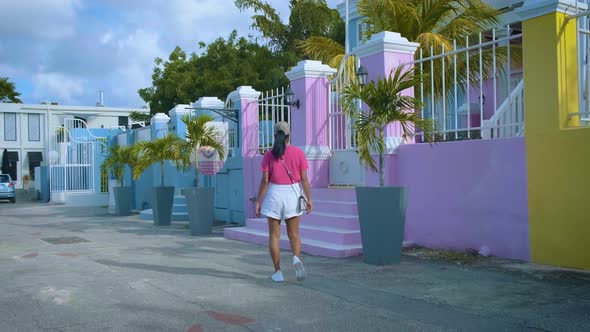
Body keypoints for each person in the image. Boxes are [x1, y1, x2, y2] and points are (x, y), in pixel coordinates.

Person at [255, 121, 313, 282]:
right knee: (294, 235)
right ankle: (296, 258)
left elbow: (265, 181)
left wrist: (259, 201)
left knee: (274, 236)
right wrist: (309, 199)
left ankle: (278, 272)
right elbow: (304, 179)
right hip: (292, 195)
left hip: (274, 194)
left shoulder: (268, 155)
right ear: (289, 135)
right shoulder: (298, 153)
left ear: (275, 136)